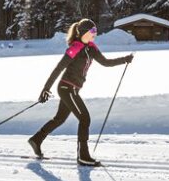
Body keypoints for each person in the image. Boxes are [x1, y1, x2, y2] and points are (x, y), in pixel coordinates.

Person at [29, 18, 132, 166]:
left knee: (59, 119)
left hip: (73, 89)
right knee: (85, 118)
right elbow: (58, 68)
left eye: (95, 31)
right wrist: (46, 89)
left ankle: (36, 139)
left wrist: (125, 59)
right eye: (92, 31)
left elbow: (106, 63)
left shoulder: (92, 48)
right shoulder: (75, 47)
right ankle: (83, 156)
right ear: (84, 32)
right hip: (66, 88)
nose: (95, 33)